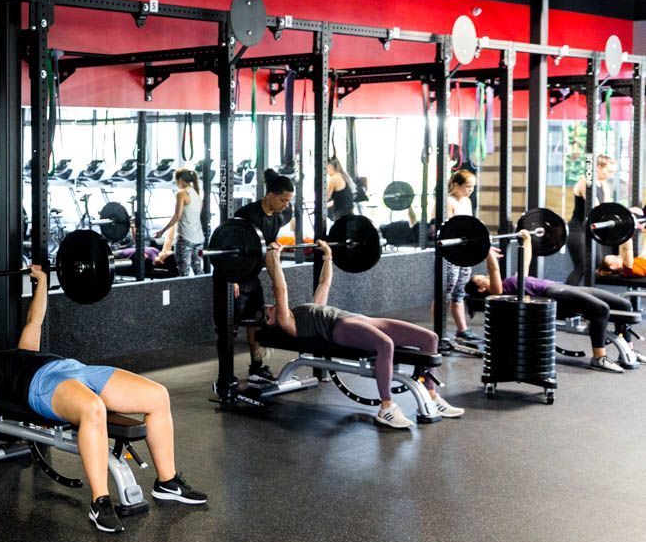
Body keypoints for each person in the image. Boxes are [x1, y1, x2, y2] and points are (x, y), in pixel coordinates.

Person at [0, 267, 206, 533]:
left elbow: (35, 320)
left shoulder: (19, 355)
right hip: (42, 386)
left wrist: (42, 281)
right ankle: (100, 502)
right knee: (93, 408)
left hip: (76, 369)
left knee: (157, 395)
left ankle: (167, 483)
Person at [263, 241, 463, 429]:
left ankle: (431, 395)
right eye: (269, 310)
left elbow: (324, 284)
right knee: (385, 345)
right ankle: (386, 408)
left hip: (360, 319)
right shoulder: (287, 322)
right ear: (270, 321)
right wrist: (274, 259)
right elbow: (280, 289)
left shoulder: (304, 310)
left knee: (430, 338)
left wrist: (328, 256)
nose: (272, 307)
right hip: (340, 327)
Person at [469, 233, 630, 373]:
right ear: (481, 289)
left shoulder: (512, 283)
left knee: (623, 304)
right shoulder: (499, 291)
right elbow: (494, 270)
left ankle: (628, 349)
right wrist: (487, 250)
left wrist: (527, 240)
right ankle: (599, 358)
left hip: (560, 286)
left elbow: (525, 262)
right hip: (552, 294)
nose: (484, 276)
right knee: (601, 309)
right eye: (480, 278)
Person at [228, 171, 296, 384]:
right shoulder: (246, 215)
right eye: (283, 200)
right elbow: (228, 248)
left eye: (288, 201)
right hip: (235, 276)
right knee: (230, 326)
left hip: (253, 275)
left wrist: (274, 246)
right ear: (270, 195)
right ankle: (226, 373)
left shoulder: (279, 215)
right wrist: (232, 280)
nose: (286, 205)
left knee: (256, 322)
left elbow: (266, 245)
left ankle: (256, 369)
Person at [440, 170, 481, 347]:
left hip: (465, 252)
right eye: (467, 186)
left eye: (473, 187)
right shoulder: (447, 202)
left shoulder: (467, 201)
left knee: (459, 292)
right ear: (456, 185)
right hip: (451, 254)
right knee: (444, 294)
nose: (470, 190)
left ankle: (462, 330)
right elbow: (445, 230)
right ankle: (437, 332)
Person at [566, 154, 617, 285]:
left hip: (592, 229)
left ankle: (589, 299)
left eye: (613, 172)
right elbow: (596, 207)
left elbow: (608, 206)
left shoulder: (604, 184)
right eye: (609, 171)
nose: (611, 175)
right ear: (598, 167)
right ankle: (564, 298)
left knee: (597, 264)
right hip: (578, 230)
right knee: (581, 267)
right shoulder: (585, 182)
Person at [155, 167, 205, 276]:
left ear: (180, 180)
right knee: (198, 270)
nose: (176, 183)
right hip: (198, 239)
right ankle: (203, 293)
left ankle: (186, 293)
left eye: (176, 181)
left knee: (184, 273)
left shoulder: (181, 193)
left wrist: (162, 232)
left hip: (185, 239)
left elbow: (177, 216)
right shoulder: (197, 195)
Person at [326, 159, 356, 226]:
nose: (326, 171)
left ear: (331, 166)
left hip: (341, 215)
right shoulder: (343, 176)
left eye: (326, 168)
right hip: (349, 213)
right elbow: (340, 199)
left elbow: (325, 199)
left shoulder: (333, 179)